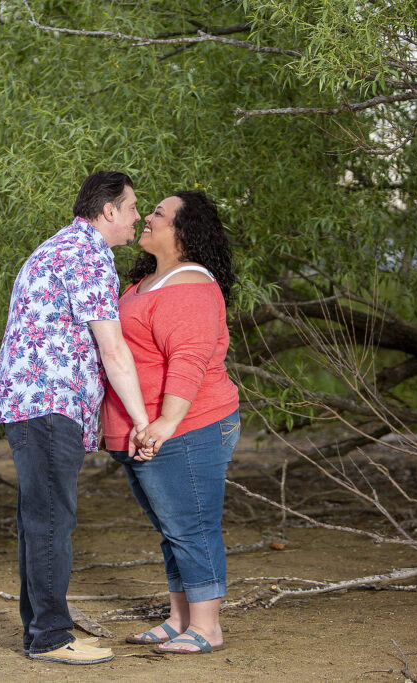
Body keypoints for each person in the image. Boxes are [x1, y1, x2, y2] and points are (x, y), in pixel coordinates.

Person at [0, 171, 152, 665]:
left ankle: (43, 631)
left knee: (41, 519)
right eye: (133, 206)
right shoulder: (87, 253)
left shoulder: (65, 247)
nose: (137, 216)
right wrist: (141, 419)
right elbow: (113, 348)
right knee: (51, 517)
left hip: (39, 405)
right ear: (109, 211)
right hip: (49, 406)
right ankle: (51, 637)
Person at [102, 189, 241, 654]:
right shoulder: (145, 283)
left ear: (183, 231)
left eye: (157, 214)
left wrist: (164, 423)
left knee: (192, 526)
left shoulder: (191, 285)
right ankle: (180, 618)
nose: (145, 218)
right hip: (148, 429)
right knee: (172, 528)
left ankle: (208, 627)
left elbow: (190, 360)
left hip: (188, 425)